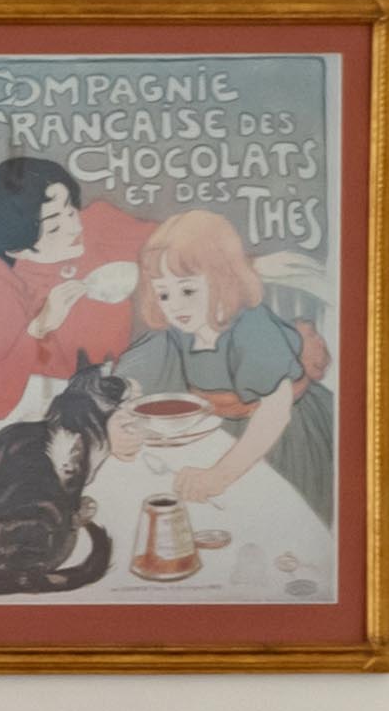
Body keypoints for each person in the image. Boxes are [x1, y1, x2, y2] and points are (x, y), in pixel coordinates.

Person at [100, 207, 320, 582]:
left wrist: (220, 474)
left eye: (187, 289)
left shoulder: (252, 326)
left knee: (274, 519)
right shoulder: (176, 329)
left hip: (284, 439)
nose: (176, 305)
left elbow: (275, 412)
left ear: (223, 279)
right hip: (224, 433)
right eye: (164, 294)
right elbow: (127, 382)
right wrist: (115, 422)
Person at [0, 154, 147, 432]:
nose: (76, 227)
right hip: (1, 430)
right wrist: (40, 326)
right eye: (55, 226)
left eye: (71, 210)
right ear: (17, 247)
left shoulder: (97, 228)